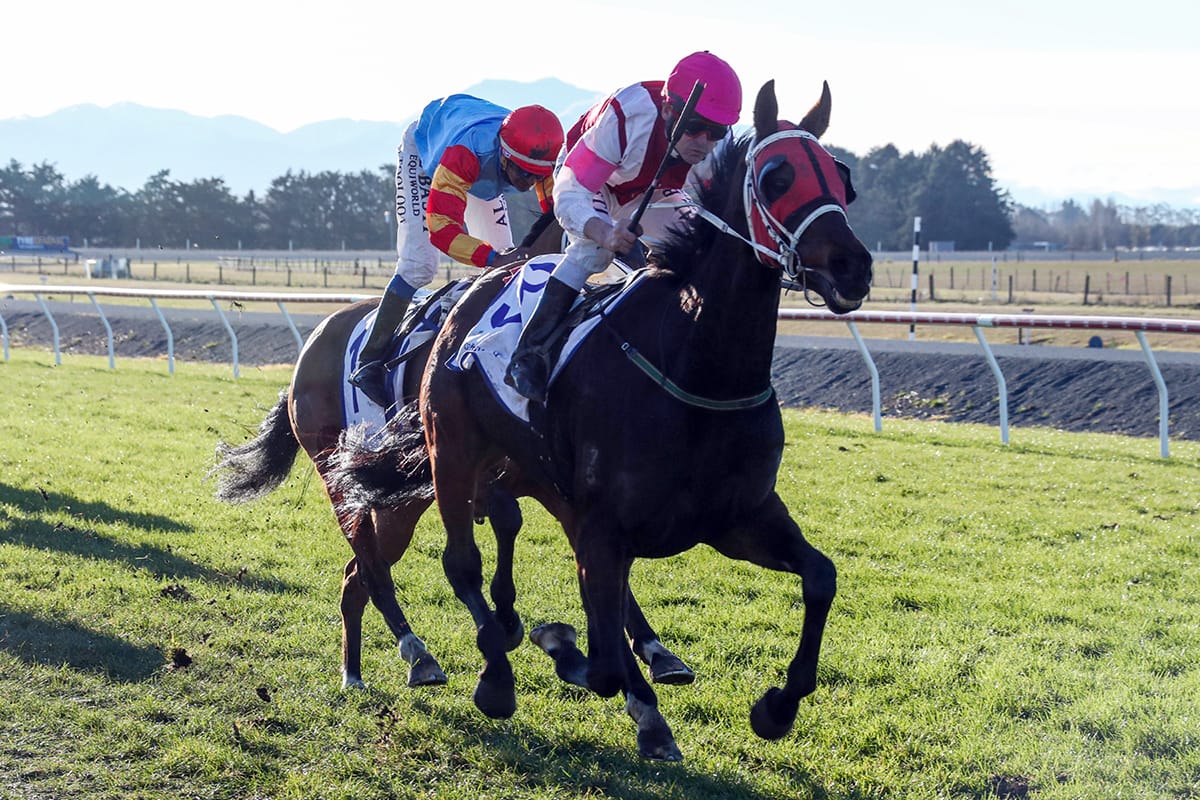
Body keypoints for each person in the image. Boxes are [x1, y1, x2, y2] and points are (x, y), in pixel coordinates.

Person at [504, 51, 742, 403]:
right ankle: (529, 354)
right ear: (667, 110)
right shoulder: (628, 116)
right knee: (594, 252)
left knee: (703, 248)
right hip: (590, 181)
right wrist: (605, 231)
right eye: (693, 127)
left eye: (716, 132)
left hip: (652, 190)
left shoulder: (714, 150)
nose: (704, 142)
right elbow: (571, 192)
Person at [349, 95, 565, 407]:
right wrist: (492, 258)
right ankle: (369, 361)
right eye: (522, 172)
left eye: (536, 176)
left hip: (483, 166)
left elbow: (556, 216)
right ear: (505, 154)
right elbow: (442, 229)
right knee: (419, 265)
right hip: (428, 156)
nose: (527, 182)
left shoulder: (540, 162)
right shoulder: (464, 153)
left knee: (508, 263)